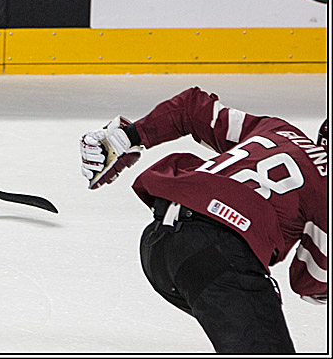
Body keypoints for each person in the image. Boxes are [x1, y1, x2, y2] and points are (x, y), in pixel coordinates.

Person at [79, 87, 328, 353]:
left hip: (158, 245)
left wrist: (128, 137)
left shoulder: (277, 130)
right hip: (217, 255)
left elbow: (191, 109)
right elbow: (311, 282)